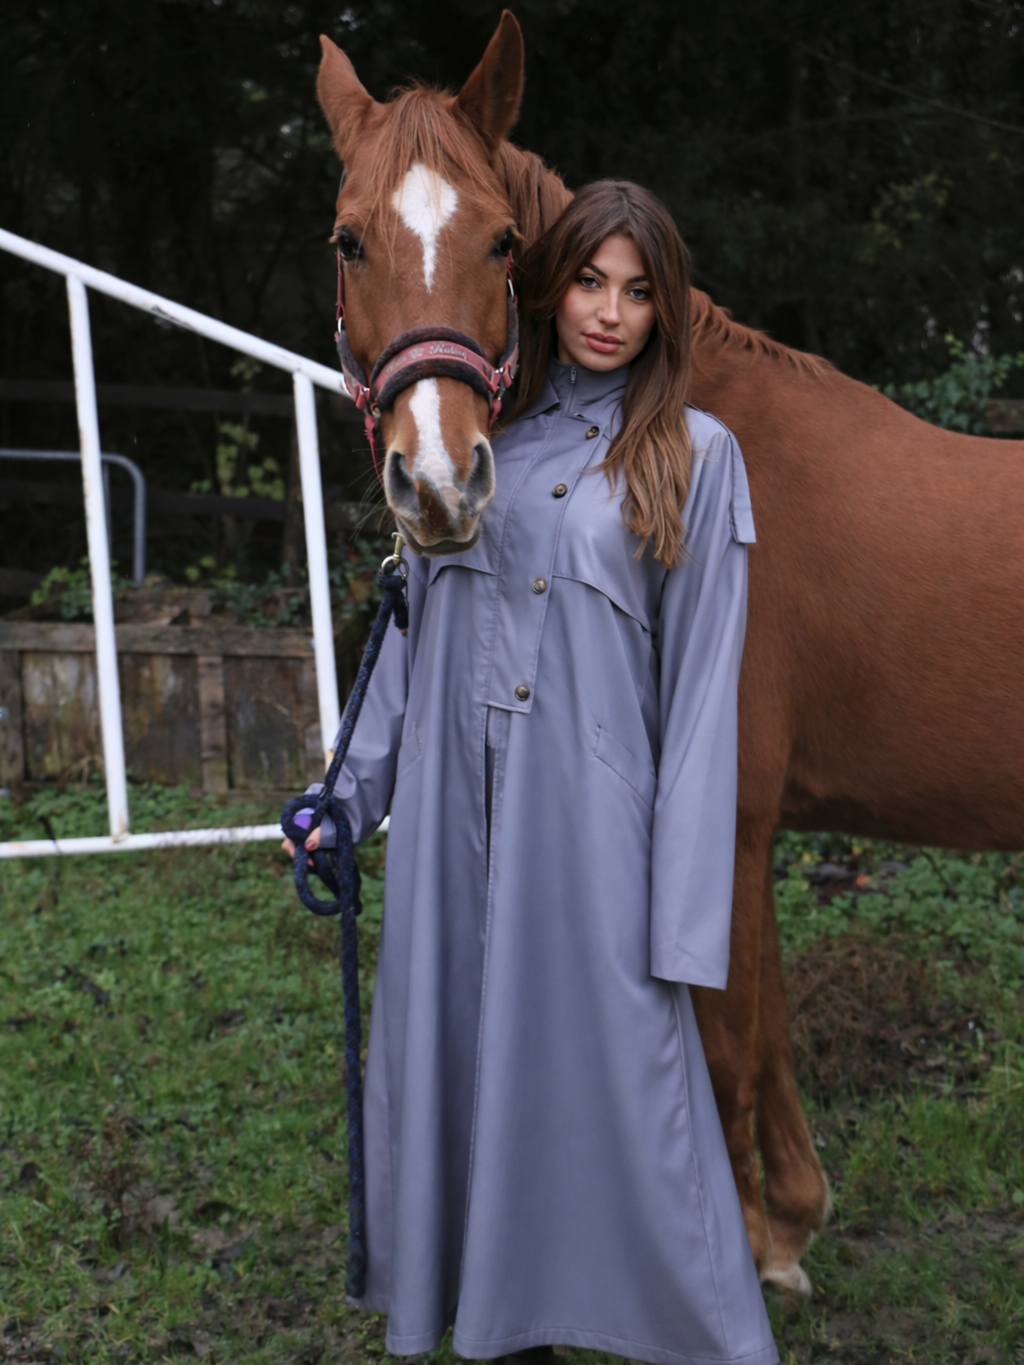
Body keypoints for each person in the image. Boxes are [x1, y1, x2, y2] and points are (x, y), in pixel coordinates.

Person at [284, 180, 777, 1365]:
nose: (608, 314)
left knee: (637, 1115)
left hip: (595, 841)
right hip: (456, 827)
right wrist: (343, 804)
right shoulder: (473, 445)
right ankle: (503, 1328)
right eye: (590, 283)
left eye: (638, 291)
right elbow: (411, 643)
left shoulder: (697, 460)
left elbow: (705, 700)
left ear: (666, 310)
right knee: (458, 1071)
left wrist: (682, 917)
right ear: (547, 289)